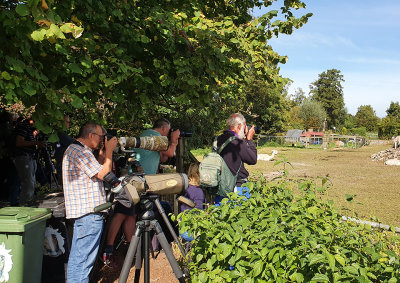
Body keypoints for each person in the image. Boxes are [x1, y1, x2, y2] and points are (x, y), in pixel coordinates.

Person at [62, 122, 117, 282]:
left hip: (86, 216)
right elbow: (104, 174)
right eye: (101, 137)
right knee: (83, 263)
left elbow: (95, 171)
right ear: (91, 135)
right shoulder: (80, 152)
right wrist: (109, 152)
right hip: (89, 216)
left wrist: (101, 156)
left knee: (78, 261)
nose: (102, 140)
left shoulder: (77, 150)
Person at [215, 113, 257, 205]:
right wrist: (249, 140)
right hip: (237, 188)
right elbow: (253, 159)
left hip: (220, 187)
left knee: (220, 216)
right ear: (239, 126)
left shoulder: (217, 140)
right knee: (239, 217)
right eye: (244, 126)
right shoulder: (238, 143)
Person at [12, 117, 46, 205]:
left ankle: (27, 204)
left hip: (29, 157)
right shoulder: (24, 126)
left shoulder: (30, 128)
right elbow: (19, 142)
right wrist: (36, 143)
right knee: (28, 184)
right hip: (23, 157)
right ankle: (25, 206)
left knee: (31, 183)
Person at [180, 163, 206, 242]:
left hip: (182, 228)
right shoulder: (198, 192)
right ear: (198, 173)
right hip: (190, 231)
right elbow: (199, 214)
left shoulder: (185, 189)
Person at [54, 115, 74, 184]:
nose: (69, 124)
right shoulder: (61, 134)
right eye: (67, 122)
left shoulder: (59, 134)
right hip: (63, 164)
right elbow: (73, 144)